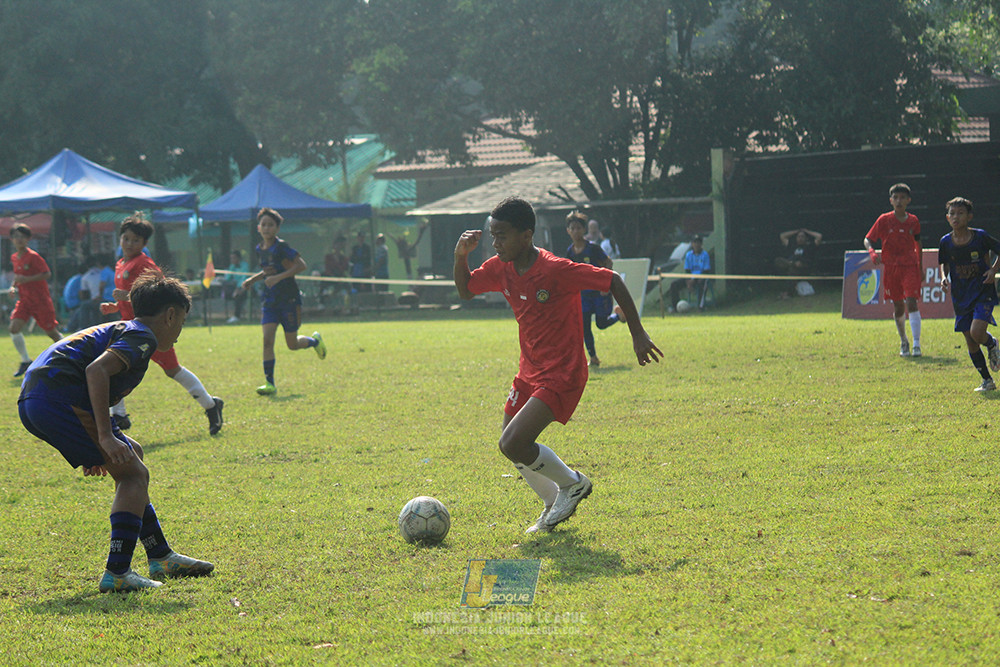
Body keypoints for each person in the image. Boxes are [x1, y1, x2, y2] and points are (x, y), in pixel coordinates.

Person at [454, 197, 663, 534]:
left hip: (563, 372)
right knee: (511, 444)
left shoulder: (555, 269)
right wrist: (460, 256)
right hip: (529, 371)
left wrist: (637, 334)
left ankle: (573, 483)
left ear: (526, 235)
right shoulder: (499, 267)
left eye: (502, 236)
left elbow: (612, 281)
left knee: (512, 444)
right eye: (493, 236)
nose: (495, 243)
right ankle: (553, 504)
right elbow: (465, 291)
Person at [19, 272, 215, 592]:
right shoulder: (144, 337)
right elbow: (96, 371)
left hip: (41, 398)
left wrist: (97, 440)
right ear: (170, 315)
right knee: (133, 475)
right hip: (57, 398)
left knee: (132, 454)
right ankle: (118, 572)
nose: (180, 330)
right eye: (181, 320)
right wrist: (105, 436)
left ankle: (160, 554)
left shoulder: (129, 328)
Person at [100, 213, 224, 435]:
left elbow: (159, 293)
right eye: (126, 238)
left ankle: (211, 405)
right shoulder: (121, 264)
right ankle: (119, 414)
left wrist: (127, 295)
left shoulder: (143, 263)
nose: (129, 244)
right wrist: (116, 306)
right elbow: (132, 300)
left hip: (151, 329)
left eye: (135, 240)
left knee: (172, 370)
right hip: (129, 327)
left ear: (144, 244)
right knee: (113, 366)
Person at [239, 208, 327, 396]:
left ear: (277, 228)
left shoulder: (282, 247)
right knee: (267, 340)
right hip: (270, 300)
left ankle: (314, 341)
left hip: (289, 299)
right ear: (258, 227)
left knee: (292, 344)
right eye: (264, 224)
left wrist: (279, 278)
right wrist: (252, 280)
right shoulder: (259, 249)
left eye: (271, 225)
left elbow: (301, 265)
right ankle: (269, 383)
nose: (267, 228)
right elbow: (268, 271)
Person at [938, 197, 1000, 392]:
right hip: (961, 295)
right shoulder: (946, 241)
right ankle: (987, 381)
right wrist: (944, 277)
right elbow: (943, 263)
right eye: (952, 214)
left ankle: (991, 343)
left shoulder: (980, 236)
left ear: (969, 216)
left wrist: (993, 270)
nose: (956, 217)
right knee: (971, 340)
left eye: (961, 213)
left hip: (982, 290)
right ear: (948, 218)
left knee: (976, 332)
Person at [865, 183, 923, 357]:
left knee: (912, 301)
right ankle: (903, 340)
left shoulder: (914, 221)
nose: (899, 201)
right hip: (891, 268)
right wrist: (872, 252)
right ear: (891, 200)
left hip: (909, 266)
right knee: (898, 306)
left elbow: (918, 243)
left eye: (902, 198)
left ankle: (917, 344)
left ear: (908, 201)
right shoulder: (883, 220)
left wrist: (920, 267)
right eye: (896, 198)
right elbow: (868, 239)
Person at [565, 210, 620, 367]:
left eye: (578, 228)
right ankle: (593, 357)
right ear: (568, 231)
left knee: (601, 324)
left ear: (584, 230)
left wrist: (606, 284)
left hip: (598, 293)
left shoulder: (593, 249)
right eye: (572, 228)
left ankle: (619, 317)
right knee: (584, 326)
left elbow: (608, 263)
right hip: (583, 295)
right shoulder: (570, 252)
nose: (576, 231)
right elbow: (568, 273)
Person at [8, 223, 62, 377]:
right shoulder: (14, 257)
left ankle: (72, 355)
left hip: (40, 300)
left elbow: (46, 274)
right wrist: (13, 286)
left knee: (52, 333)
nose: (19, 239)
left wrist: (26, 279)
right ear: (12, 239)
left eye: (22, 237)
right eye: (16, 236)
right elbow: (18, 277)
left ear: (28, 239)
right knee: (13, 328)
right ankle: (26, 361)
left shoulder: (33, 256)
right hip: (25, 300)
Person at [669, 235, 712, 311]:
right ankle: (675, 306)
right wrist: (689, 281)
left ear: (701, 244)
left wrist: (694, 280)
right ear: (692, 244)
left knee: (702, 284)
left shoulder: (705, 255)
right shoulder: (689, 255)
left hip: (701, 277)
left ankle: (701, 307)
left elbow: (706, 270)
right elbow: (687, 270)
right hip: (690, 277)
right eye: (694, 242)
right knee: (674, 284)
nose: (696, 245)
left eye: (698, 243)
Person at [224, 250, 250, 323]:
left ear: (239, 258)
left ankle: (236, 316)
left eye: (234, 258)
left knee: (238, 295)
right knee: (231, 292)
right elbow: (228, 278)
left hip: (245, 287)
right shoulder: (232, 266)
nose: (232, 260)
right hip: (235, 288)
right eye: (231, 258)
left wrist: (239, 288)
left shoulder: (245, 266)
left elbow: (244, 278)